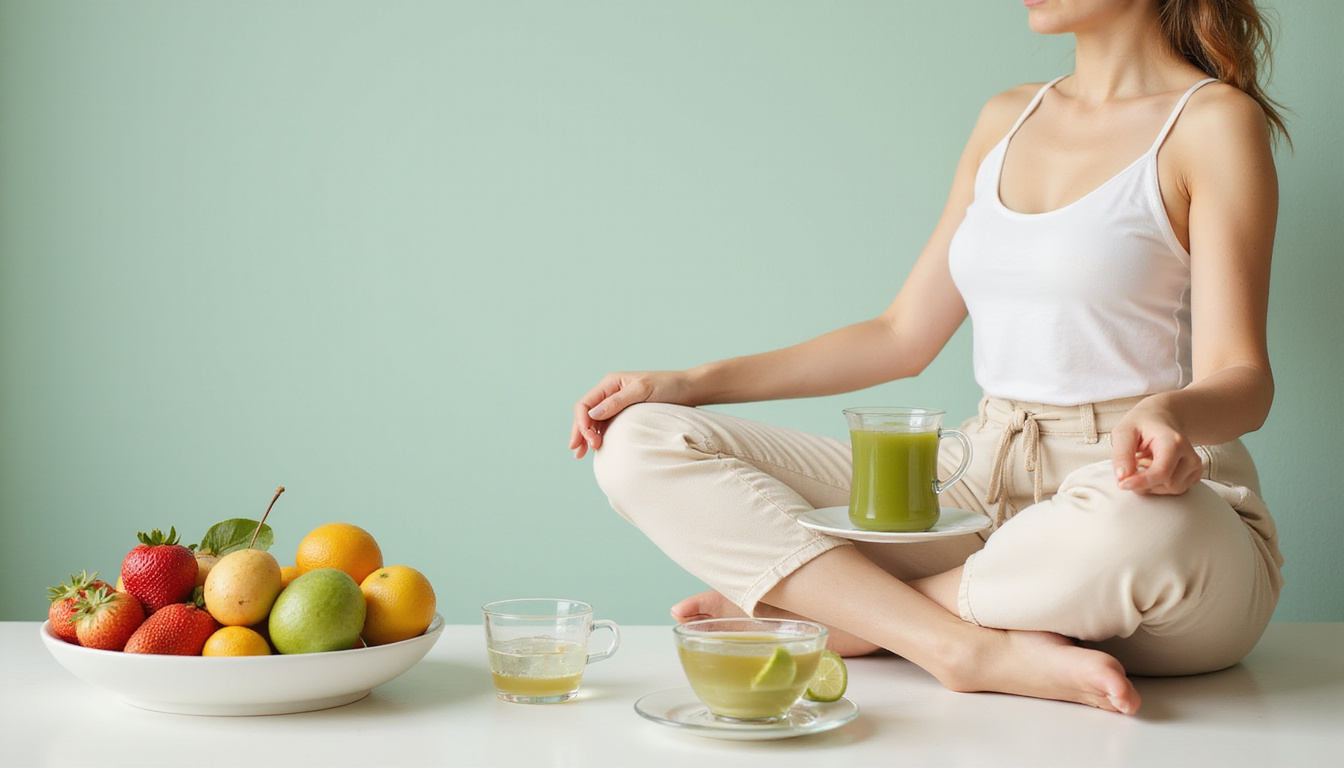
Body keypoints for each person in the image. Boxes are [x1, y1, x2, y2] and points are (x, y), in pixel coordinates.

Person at [569, 0, 1288, 715]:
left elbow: (1243, 379)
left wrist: (1167, 413)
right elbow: (901, 335)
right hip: (979, 483)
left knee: (1147, 532)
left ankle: (856, 624)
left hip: (1143, 501)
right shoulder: (1007, 118)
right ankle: (959, 647)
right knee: (639, 443)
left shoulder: (1212, 122)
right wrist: (690, 384)